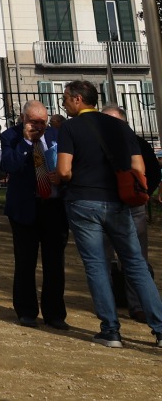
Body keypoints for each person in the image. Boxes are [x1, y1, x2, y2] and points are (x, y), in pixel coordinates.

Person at [51, 79, 162, 347]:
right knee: (135, 263)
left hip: (83, 200)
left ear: (78, 99)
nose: (64, 104)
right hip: (117, 201)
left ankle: (110, 330)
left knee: (97, 265)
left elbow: (64, 170)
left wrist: (60, 178)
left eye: (65, 99)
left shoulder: (70, 127)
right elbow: (138, 168)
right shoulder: (120, 127)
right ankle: (160, 328)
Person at [0, 101, 68, 329]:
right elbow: (9, 165)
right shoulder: (10, 137)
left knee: (54, 263)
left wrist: (62, 177)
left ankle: (55, 313)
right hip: (25, 207)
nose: (39, 126)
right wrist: (27, 142)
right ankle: (26, 310)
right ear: (23, 118)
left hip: (53, 207)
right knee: (25, 261)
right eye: (34, 122)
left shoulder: (57, 135)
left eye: (43, 122)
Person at [100, 104, 159, 320]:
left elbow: (153, 172)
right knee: (103, 258)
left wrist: (142, 194)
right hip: (104, 205)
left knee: (136, 257)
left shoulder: (138, 143)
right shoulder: (96, 144)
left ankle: (137, 305)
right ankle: (107, 306)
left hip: (133, 206)